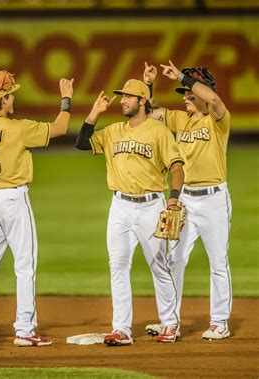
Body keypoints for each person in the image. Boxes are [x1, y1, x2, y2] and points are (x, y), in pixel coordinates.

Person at [76, 79, 185, 345]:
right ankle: (122, 328)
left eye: (127, 97)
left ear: (142, 101)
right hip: (120, 207)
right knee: (118, 266)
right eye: (122, 96)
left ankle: (170, 323)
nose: (122, 100)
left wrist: (172, 199)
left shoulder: (159, 132)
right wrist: (94, 114)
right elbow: (81, 143)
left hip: (151, 206)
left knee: (159, 265)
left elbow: (177, 166)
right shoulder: (113, 131)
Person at [0, 71, 73, 347]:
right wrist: (66, 99)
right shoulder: (18, 128)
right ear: (3, 100)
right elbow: (61, 128)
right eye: (10, 93)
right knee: (25, 265)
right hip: (13, 201)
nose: (13, 96)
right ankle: (25, 330)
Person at [143, 61, 232, 340]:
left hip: (214, 199)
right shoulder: (179, 119)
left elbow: (214, 99)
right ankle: (170, 320)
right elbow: (147, 114)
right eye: (184, 93)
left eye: (190, 93)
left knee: (218, 262)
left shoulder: (218, 119)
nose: (185, 97)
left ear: (203, 92)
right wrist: (148, 84)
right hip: (186, 201)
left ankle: (220, 322)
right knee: (174, 260)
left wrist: (183, 76)